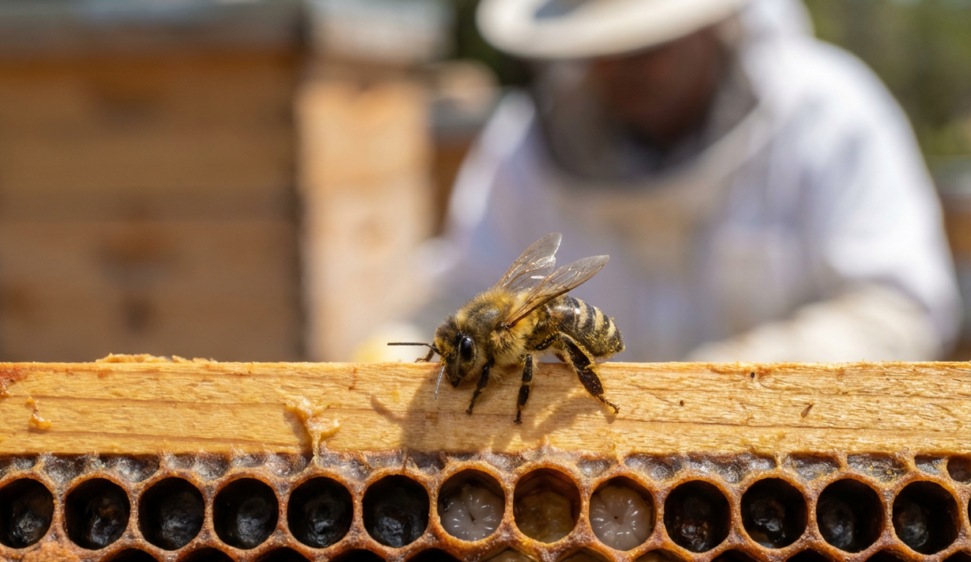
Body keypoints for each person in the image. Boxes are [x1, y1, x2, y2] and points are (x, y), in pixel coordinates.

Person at [382, 0, 962, 363]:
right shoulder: (522, 145)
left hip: (793, 503)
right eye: (595, 49)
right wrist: (386, 355)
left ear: (712, 23)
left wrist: (735, 380)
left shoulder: (833, 116)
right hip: (583, 507)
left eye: (643, 47)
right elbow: (462, 291)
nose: (614, 70)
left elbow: (900, 307)